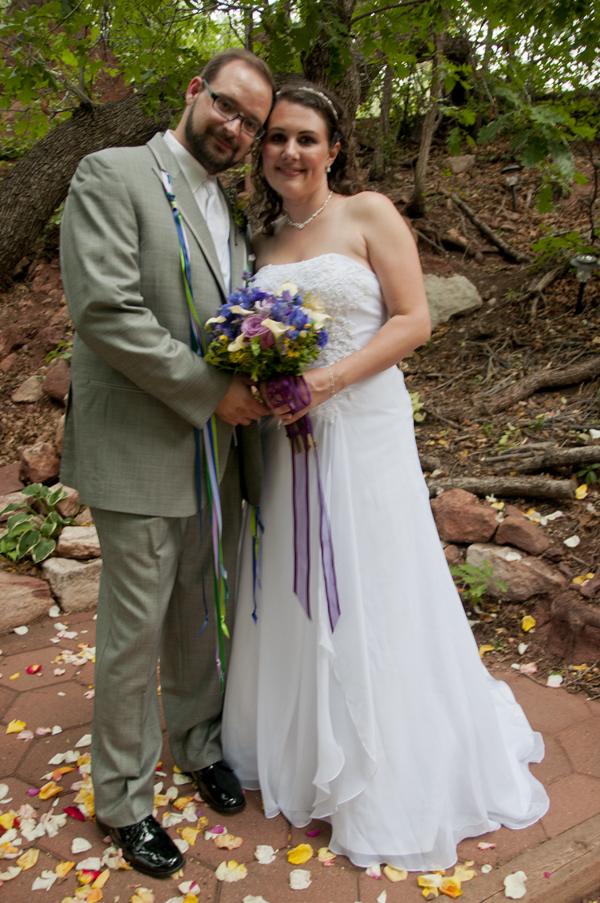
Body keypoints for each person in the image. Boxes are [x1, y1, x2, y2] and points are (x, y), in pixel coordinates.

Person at [222, 82, 549, 871]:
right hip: (289, 442)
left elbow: (413, 319)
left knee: (375, 580)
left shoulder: (369, 212)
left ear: (334, 147)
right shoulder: (260, 242)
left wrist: (325, 384)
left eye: (306, 138)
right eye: (276, 139)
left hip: (361, 428)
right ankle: (306, 749)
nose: (289, 152)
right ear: (260, 153)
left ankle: (391, 766)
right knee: (299, 584)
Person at [59, 49, 275, 878]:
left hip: (214, 451)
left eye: (250, 123)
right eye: (227, 107)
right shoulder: (111, 174)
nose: (235, 128)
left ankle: (196, 742)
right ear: (194, 91)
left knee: (200, 610)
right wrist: (210, 392)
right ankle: (121, 799)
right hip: (142, 443)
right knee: (133, 631)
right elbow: (105, 311)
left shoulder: (227, 206)